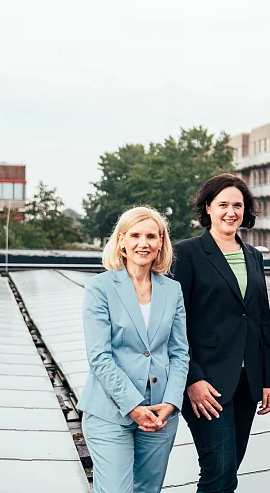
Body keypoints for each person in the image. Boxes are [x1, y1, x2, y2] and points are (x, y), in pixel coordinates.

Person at [171, 173, 270, 493]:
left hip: (247, 381)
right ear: (208, 207)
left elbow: (261, 320)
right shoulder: (186, 253)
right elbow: (176, 322)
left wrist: (268, 379)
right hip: (206, 380)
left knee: (229, 471)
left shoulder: (254, 256)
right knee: (218, 471)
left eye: (238, 206)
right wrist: (192, 379)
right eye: (223, 205)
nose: (231, 212)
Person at [79, 206, 189, 493]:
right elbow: (99, 357)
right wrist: (133, 406)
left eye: (151, 236)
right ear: (122, 241)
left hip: (160, 412)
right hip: (110, 410)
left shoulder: (172, 290)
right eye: (135, 235)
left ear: (161, 242)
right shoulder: (100, 287)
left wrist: (171, 402)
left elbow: (179, 353)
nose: (144, 243)